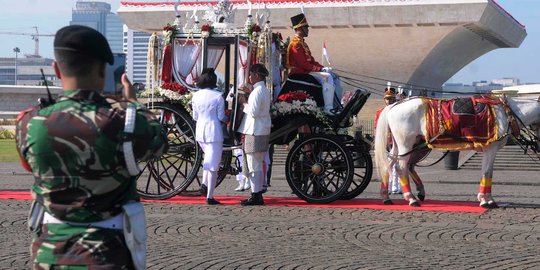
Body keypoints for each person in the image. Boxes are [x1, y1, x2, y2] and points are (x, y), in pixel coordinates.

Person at [15, 25, 167, 269]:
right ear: (102, 70)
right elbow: (158, 145)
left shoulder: (29, 123)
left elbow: (28, 164)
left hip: (49, 253)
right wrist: (133, 105)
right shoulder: (126, 123)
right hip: (108, 253)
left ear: (56, 69)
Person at [286, 13, 337, 115]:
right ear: (300, 28)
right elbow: (303, 64)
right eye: (306, 27)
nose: (308, 29)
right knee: (327, 78)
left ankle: (336, 105)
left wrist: (323, 67)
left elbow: (311, 61)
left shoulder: (302, 43)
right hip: (300, 73)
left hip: (307, 71)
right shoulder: (295, 44)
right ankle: (328, 108)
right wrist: (320, 70)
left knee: (334, 76)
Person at [192, 68, 228, 204]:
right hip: (214, 131)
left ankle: (204, 185)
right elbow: (221, 117)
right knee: (213, 165)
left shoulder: (196, 95)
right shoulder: (218, 96)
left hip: (200, 131)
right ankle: (210, 196)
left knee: (207, 160)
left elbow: (195, 116)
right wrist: (228, 118)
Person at [237, 64, 272, 206]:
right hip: (260, 130)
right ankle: (255, 193)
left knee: (254, 164)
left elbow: (253, 112)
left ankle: (256, 194)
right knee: (256, 162)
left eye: (251, 74)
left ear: (257, 75)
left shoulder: (258, 92)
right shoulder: (261, 90)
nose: (249, 77)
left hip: (255, 131)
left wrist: (244, 103)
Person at [375, 88, 401, 194]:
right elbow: (377, 128)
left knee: (396, 165)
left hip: (395, 140)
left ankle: (396, 185)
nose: (388, 101)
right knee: (386, 165)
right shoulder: (380, 112)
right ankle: (388, 185)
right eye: (387, 99)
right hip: (385, 141)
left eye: (391, 98)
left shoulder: (398, 111)